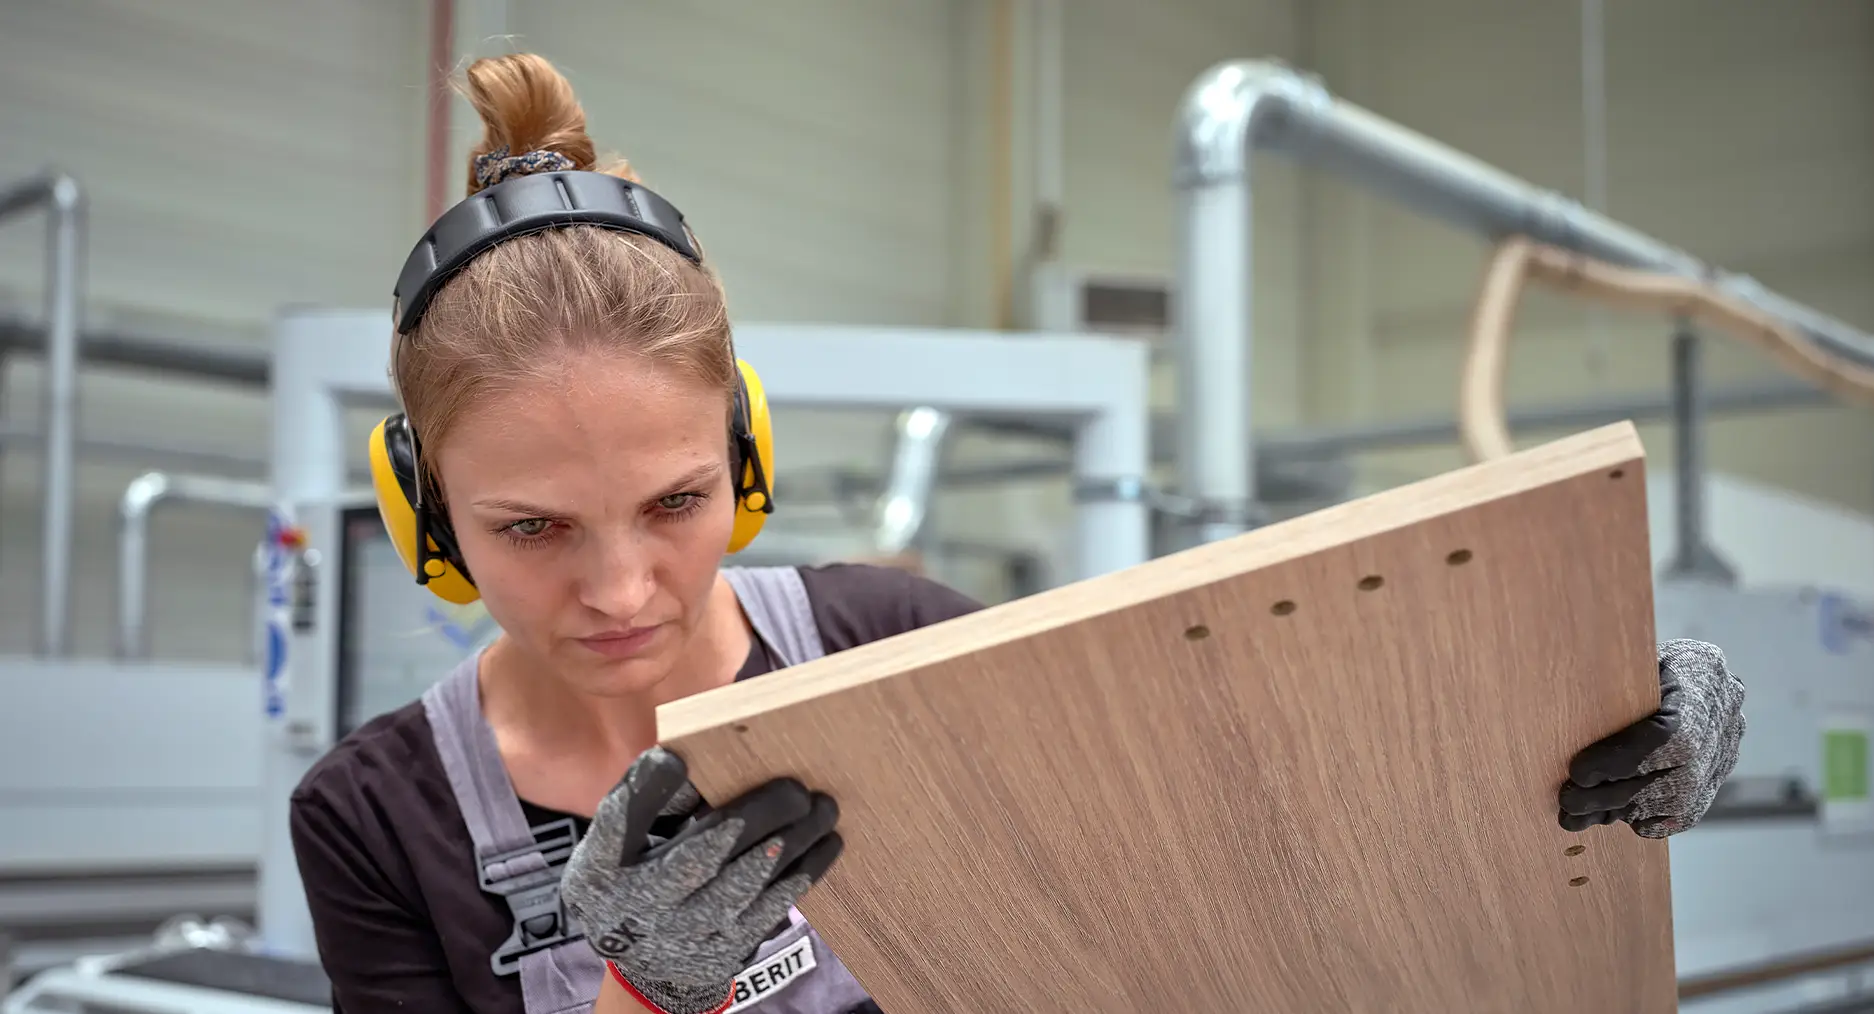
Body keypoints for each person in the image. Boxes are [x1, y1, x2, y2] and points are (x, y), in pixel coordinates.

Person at [288, 53, 1749, 1014]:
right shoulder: (372, 820)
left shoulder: (897, 642)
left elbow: (1245, 845)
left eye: (675, 502)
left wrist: (1586, 723)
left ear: (743, 456)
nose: (620, 587)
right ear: (423, 508)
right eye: (531, 525)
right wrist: (644, 994)